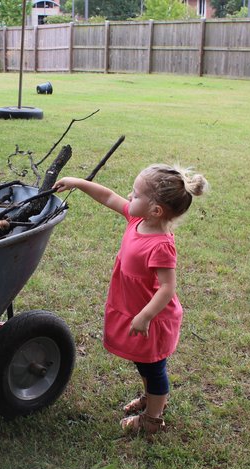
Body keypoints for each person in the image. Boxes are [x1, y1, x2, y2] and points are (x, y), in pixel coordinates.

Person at [54, 164, 208, 434]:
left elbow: (167, 288)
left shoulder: (161, 245)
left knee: (154, 368)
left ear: (155, 210)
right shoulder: (137, 220)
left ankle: (152, 419)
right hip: (134, 309)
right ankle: (152, 398)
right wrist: (77, 182)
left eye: (136, 195)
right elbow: (107, 197)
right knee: (144, 364)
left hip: (153, 319)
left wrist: (145, 316)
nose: (129, 196)